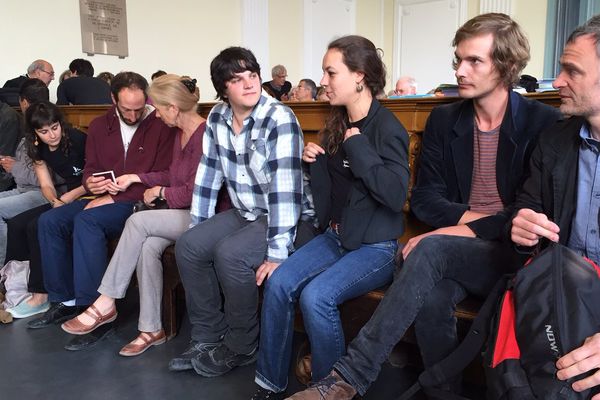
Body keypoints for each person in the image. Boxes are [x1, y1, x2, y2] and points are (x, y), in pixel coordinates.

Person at [286, 13, 561, 400]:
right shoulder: (445, 119)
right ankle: (443, 394)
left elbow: (529, 215)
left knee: (429, 246)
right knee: (432, 295)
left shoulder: (543, 122)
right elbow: (427, 203)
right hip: (460, 253)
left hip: (516, 255)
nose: (459, 70)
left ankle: (349, 375)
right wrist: (469, 226)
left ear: (507, 65)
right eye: (458, 59)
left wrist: (455, 230)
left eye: (474, 61)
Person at [252, 35, 409, 400]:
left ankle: (328, 391)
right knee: (277, 283)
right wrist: (316, 164)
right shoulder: (336, 124)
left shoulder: (388, 129)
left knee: (316, 297)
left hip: (376, 246)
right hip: (337, 237)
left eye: (330, 72)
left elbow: (393, 194)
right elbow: (334, 197)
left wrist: (357, 147)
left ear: (360, 76)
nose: (323, 80)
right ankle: (269, 383)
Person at [170, 46, 315, 377]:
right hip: (246, 211)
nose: (250, 84)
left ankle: (242, 344)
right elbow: (209, 176)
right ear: (223, 88)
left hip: (292, 219)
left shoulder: (278, 118)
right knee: (190, 245)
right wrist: (199, 227)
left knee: (231, 254)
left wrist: (278, 253)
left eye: (253, 76)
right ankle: (208, 336)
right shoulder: (218, 118)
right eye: (238, 79)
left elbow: (285, 193)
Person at [60, 75, 208, 356]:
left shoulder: (204, 134)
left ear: (173, 108)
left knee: (137, 221)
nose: (156, 115)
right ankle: (152, 328)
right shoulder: (180, 134)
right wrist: (136, 177)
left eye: (159, 108)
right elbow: (172, 174)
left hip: (201, 215)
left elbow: (196, 191)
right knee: (147, 247)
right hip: (178, 210)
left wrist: (161, 192)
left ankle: (105, 301)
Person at [29, 72, 175, 352]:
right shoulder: (98, 125)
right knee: (49, 221)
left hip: (140, 201)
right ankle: (66, 300)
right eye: (126, 109)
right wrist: (90, 182)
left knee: (88, 221)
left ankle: (94, 307)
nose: (133, 115)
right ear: (113, 100)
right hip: (106, 197)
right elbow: (91, 168)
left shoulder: (160, 125)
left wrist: (111, 195)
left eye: (139, 108)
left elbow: (166, 175)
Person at [508, 15, 600, 397]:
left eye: (571, 71)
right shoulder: (555, 139)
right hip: (560, 292)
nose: (557, 81)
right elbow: (527, 209)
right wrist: (522, 230)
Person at [5, 101, 87, 319]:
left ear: (60, 123)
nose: (52, 135)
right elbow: (46, 185)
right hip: (64, 198)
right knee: (16, 224)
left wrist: (68, 197)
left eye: (55, 127)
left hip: (87, 194)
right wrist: (54, 201)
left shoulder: (78, 139)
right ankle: (16, 287)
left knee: (36, 226)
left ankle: (40, 296)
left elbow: (96, 178)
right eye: (44, 131)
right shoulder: (36, 146)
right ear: (35, 133)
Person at [0, 79, 50, 266]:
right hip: (23, 188)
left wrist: (15, 167)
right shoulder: (30, 126)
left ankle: (3, 269)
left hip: (41, 192)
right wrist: (16, 165)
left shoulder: (44, 128)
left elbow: (45, 178)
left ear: (24, 102)